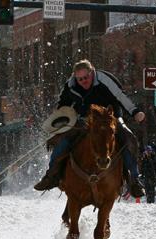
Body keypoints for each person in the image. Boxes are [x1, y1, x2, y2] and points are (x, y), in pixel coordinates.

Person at [34, 60, 146, 197]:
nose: (83, 81)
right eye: (80, 79)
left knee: (129, 138)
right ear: (75, 77)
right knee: (63, 141)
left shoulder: (105, 80)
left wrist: (135, 111)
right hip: (85, 120)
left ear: (92, 72)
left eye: (86, 77)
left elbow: (121, 97)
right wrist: (61, 122)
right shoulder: (71, 85)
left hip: (111, 118)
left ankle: (135, 180)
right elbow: (63, 106)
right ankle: (51, 176)